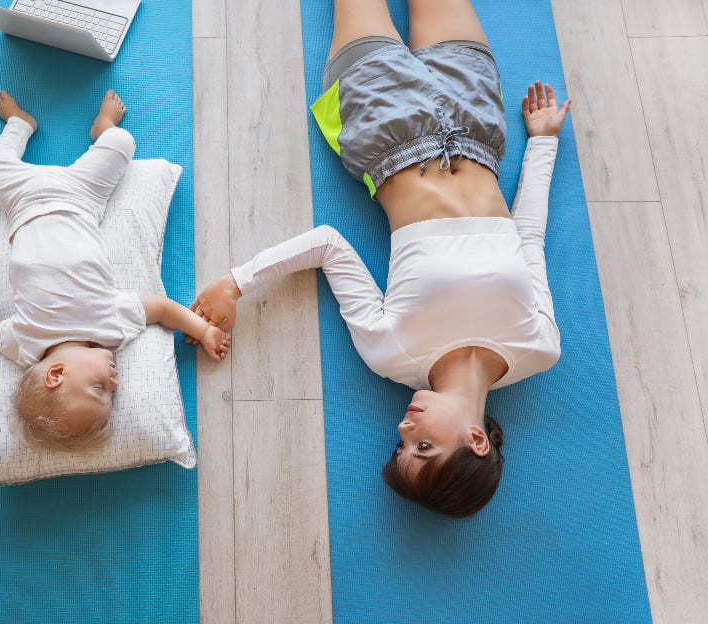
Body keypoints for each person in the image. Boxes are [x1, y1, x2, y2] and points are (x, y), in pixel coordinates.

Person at [191, 0, 571, 517]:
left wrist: (235, 283)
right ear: (477, 440)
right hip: (476, 122)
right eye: (422, 447)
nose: (403, 428)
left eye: (400, 446)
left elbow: (327, 244)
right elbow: (528, 238)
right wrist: (543, 143)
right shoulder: (539, 349)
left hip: (381, 119)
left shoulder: (392, 355)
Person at [0, 90, 231, 451]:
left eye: (99, 388)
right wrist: (204, 331)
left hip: (22, 204)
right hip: (81, 198)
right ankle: (104, 128)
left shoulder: (26, 344)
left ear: (56, 374)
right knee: (122, 141)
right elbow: (163, 310)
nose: (115, 384)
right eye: (111, 395)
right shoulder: (111, 327)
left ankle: (19, 125)